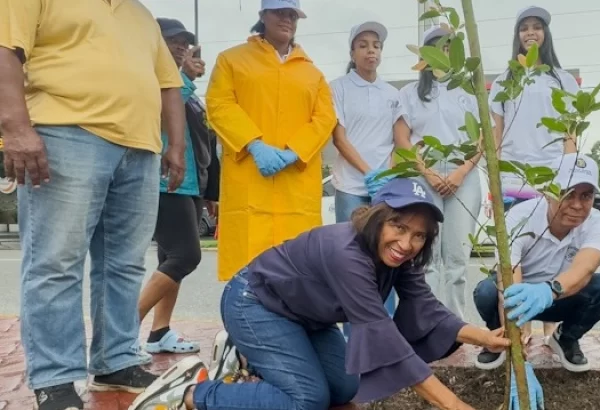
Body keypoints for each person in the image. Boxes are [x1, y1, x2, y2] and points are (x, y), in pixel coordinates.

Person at [129, 177, 549, 410]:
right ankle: (190, 394)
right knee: (306, 399)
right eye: (399, 227)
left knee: (347, 388)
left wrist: (486, 337)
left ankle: (246, 358)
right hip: (255, 304)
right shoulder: (347, 253)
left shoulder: (398, 257)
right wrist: (454, 407)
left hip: (305, 318)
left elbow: (425, 306)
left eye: (420, 235)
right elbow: (380, 335)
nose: (407, 243)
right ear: (379, 218)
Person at [0, 1, 187, 409]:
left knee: (124, 263)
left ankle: (116, 360)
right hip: (66, 133)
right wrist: (14, 126)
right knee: (56, 263)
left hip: (140, 148)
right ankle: (55, 379)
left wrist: (176, 145)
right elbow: (5, 51)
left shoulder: (141, 16)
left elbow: (167, 84)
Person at [206, 0, 336, 283]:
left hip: (295, 185)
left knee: (297, 270)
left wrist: (294, 152)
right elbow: (219, 105)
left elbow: (325, 118)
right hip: (251, 179)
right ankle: (240, 325)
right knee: (247, 273)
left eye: (292, 14)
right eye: (280, 12)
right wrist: (254, 144)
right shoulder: (232, 60)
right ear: (263, 15)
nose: (287, 19)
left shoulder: (313, 74)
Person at [481, 4, 581, 361]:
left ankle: (553, 333)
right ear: (517, 36)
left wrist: (570, 176)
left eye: (537, 27)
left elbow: (571, 131)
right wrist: (493, 178)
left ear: (546, 34)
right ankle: (515, 334)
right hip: (512, 180)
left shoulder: (562, 79)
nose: (530, 33)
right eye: (524, 28)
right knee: (512, 256)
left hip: (553, 180)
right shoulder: (505, 80)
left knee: (557, 256)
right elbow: (496, 131)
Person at [473, 154, 600, 373]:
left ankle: (566, 337)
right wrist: (516, 348)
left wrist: (549, 290)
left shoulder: (598, 224)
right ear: (548, 192)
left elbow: (585, 269)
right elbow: (509, 282)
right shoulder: (520, 217)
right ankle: (500, 340)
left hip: (562, 299)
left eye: (586, 196)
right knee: (486, 291)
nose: (578, 205)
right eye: (568, 194)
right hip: (520, 297)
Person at [393, 26, 483, 320]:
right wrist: (428, 173)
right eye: (437, 47)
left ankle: (455, 324)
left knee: (457, 256)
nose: (443, 53)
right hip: (424, 175)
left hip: (464, 176)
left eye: (449, 48)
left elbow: (484, 138)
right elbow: (402, 138)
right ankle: (427, 322)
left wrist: (461, 171)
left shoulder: (470, 89)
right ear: (426, 54)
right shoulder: (409, 93)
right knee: (426, 255)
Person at [137, 18, 212, 355]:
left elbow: (202, 140)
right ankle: (124, 330)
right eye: (173, 40)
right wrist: (186, 78)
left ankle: (159, 332)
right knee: (186, 256)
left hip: (190, 184)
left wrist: (211, 192)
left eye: (184, 42)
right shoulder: (146, 75)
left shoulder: (186, 87)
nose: (181, 46)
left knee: (171, 260)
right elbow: (160, 113)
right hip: (163, 182)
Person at [330, 21, 401, 338]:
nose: (370, 50)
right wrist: (366, 172)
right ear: (352, 52)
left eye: (376, 45)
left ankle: (385, 332)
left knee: (386, 258)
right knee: (352, 260)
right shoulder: (339, 88)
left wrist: (387, 175)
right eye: (363, 45)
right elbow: (340, 139)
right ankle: (352, 335)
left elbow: (398, 142)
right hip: (350, 189)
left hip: (384, 190)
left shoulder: (392, 94)